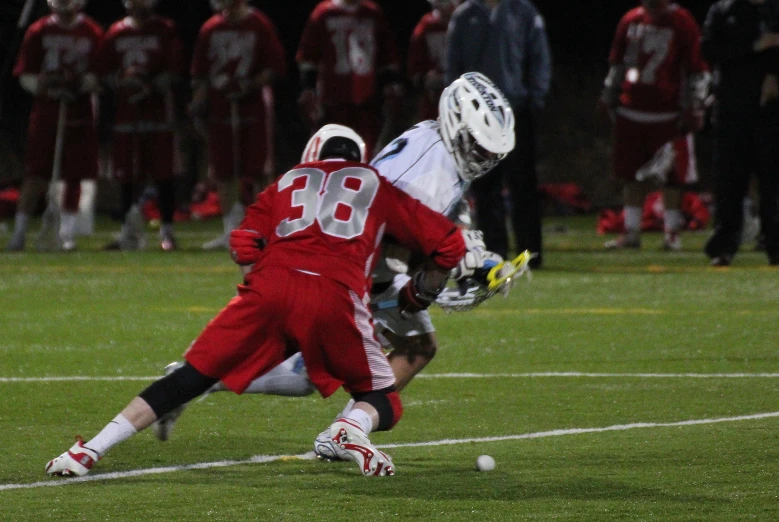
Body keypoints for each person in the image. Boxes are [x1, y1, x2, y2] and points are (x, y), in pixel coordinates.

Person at [45, 124, 467, 478]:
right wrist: (420, 292)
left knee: (189, 377)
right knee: (382, 399)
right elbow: (448, 245)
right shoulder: (377, 186)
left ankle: (87, 452)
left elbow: (244, 242)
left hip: (270, 287)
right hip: (334, 294)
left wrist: (267, 289)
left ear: (313, 153)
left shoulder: (287, 180)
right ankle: (347, 431)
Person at [150, 73, 516, 463]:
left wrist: (466, 246)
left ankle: (198, 384)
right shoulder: (430, 173)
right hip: (358, 269)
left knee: (373, 354)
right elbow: (396, 230)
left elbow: (430, 216)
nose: (485, 158)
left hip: (354, 262)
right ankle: (334, 427)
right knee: (372, 355)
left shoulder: (433, 139)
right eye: (479, 146)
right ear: (457, 125)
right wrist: (450, 274)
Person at [445, 0, 551, 268]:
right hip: (476, 116)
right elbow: (453, 62)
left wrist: (535, 97)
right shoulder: (464, 15)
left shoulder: (523, 12)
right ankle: (493, 251)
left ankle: (530, 252)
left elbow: (539, 56)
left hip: (515, 111)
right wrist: (457, 104)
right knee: (484, 186)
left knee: (523, 184)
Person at [599, 0, 709, 251]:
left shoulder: (682, 20)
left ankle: (671, 234)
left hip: (668, 112)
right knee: (631, 175)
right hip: (632, 108)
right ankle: (631, 232)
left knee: (671, 177)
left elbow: (696, 68)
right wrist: (609, 96)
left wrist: (694, 105)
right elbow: (617, 63)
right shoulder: (631, 19)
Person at [6, 0, 102, 252]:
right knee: (36, 173)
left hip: (78, 111)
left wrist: (79, 84)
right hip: (46, 112)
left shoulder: (91, 31)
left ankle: (67, 233)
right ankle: (19, 233)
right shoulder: (39, 31)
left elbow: (98, 74)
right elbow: (26, 75)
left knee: (74, 174)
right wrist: (47, 86)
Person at [191, 0, 286, 250]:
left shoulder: (259, 25)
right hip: (221, 105)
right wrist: (198, 103)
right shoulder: (211, 28)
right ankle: (231, 230)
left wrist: (250, 84)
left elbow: (274, 68)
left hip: (253, 106)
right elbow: (200, 73)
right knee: (224, 171)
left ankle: (264, 228)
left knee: (258, 169)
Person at [701, 0, 779, 266]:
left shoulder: (776, 10)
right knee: (729, 180)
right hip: (732, 108)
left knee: (773, 181)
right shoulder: (724, 11)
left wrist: (774, 74)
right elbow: (710, 50)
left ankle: (777, 245)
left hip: (770, 111)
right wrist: (753, 47)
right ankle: (724, 246)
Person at [100, 0, 184, 251]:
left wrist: (151, 83)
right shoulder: (116, 32)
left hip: (157, 114)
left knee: (163, 175)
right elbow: (105, 71)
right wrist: (124, 82)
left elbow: (175, 69)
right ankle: (128, 228)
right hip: (127, 115)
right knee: (127, 175)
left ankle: (166, 231)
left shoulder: (165, 29)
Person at [296, 0, 402, 154]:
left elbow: (387, 57)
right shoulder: (324, 13)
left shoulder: (373, 13)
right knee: (331, 154)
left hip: (368, 100)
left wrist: (391, 86)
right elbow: (308, 58)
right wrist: (309, 89)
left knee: (368, 154)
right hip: (332, 101)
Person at [408, 0, 460, 121]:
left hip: (461, 90)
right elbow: (415, 64)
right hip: (434, 96)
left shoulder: (467, 21)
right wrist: (423, 78)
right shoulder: (426, 25)